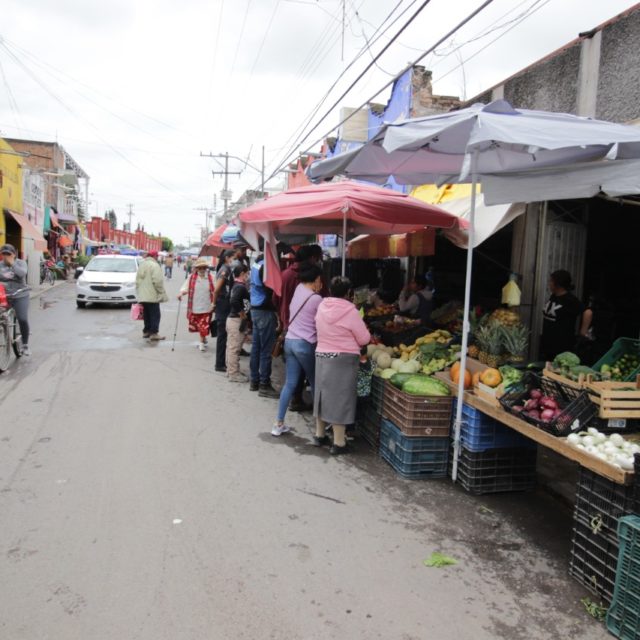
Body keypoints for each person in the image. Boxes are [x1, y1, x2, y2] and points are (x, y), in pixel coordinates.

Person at [313, 276, 371, 455]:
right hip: (343, 358)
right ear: (348, 293)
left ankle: (319, 435)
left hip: (322, 354)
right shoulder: (350, 311)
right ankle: (339, 443)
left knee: (322, 395)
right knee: (341, 398)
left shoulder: (322, 306)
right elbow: (364, 338)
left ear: (330, 290)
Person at [272, 264, 324, 436]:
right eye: (320, 279)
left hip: (290, 342)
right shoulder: (316, 299)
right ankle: (319, 428)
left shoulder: (299, 289)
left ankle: (278, 424)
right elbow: (321, 322)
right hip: (305, 344)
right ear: (316, 279)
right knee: (315, 382)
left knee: (290, 383)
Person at [249, 255, 279, 398]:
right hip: (264, 310)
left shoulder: (256, 263)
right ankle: (264, 385)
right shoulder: (266, 266)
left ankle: (254, 381)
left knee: (256, 348)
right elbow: (269, 290)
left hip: (255, 308)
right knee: (266, 350)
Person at [540, 269, 586, 361]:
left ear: (558, 284)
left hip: (561, 347)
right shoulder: (554, 296)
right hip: (548, 345)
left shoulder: (570, 300)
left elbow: (588, 312)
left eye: (551, 281)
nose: (549, 283)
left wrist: (582, 332)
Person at [178, 257, 215, 352]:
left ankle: (201, 343)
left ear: (206, 268)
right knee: (199, 325)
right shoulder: (191, 278)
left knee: (204, 325)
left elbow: (215, 291)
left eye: (204, 267)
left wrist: (214, 303)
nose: (202, 270)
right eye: (200, 268)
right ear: (196, 268)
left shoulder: (211, 278)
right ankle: (203, 338)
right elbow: (185, 288)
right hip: (195, 306)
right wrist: (181, 294)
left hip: (207, 307)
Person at [0, 244, 31, 356]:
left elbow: (22, 274)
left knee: (22, 319)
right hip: (5, 296)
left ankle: (25, 344)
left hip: (20, 295)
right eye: (4, 254)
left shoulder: (21, 263)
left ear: (14, 254)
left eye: (8, 254)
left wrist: (12, 263)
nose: (6, 256)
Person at [135, 250, 169, 340]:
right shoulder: (154, 265)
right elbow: (157, 281)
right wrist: (161, 292)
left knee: (146, 314)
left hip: (143, 295)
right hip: (152, 294)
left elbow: (137, 281)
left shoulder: (142, 265)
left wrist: (139, 292)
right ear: (155, 256)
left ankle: (146, 331)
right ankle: (154, 333)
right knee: (155, 314)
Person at [226, 264, 251, 382]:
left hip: (234, 320)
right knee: (234, 349)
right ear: (242, 274)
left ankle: (232, 370)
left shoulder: (237, 285)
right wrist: (241, 313)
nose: (248, 276)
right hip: (236, 320)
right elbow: (233, 301)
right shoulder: (240, 287)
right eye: (247, 274)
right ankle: (233, 374)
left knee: (232, 347)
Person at [212, 249, 235, 372]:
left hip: (224, 304)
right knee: (222, 335)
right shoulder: (225, 269)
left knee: (224, 334)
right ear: (227, 258)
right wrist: (213, 303)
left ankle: (221, 363)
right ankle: (219, 364)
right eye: (233, 258)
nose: (234, 261)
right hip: (222, 304)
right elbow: (216, 289)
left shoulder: (226, 268)